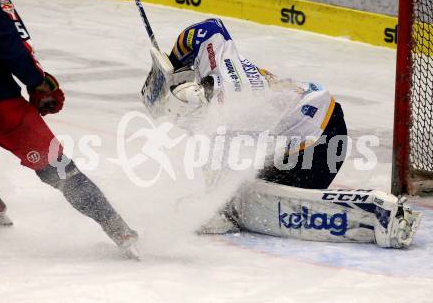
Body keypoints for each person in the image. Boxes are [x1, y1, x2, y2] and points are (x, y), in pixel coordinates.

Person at [141, 18, 422, 248]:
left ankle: (380, 215)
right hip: (316, 113)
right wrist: (174, 61)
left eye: (180, 116)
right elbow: (208, 29)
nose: (183, 124)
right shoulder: (215, 61)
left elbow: (222, 187)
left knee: (241, 197)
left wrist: (210, 210)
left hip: (320, 144)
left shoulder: (230, 116)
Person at [0, 0, 139, 258]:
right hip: (1, 105)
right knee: (60, 169)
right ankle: (117, 228)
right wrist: (39, 83)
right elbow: (11, 46)